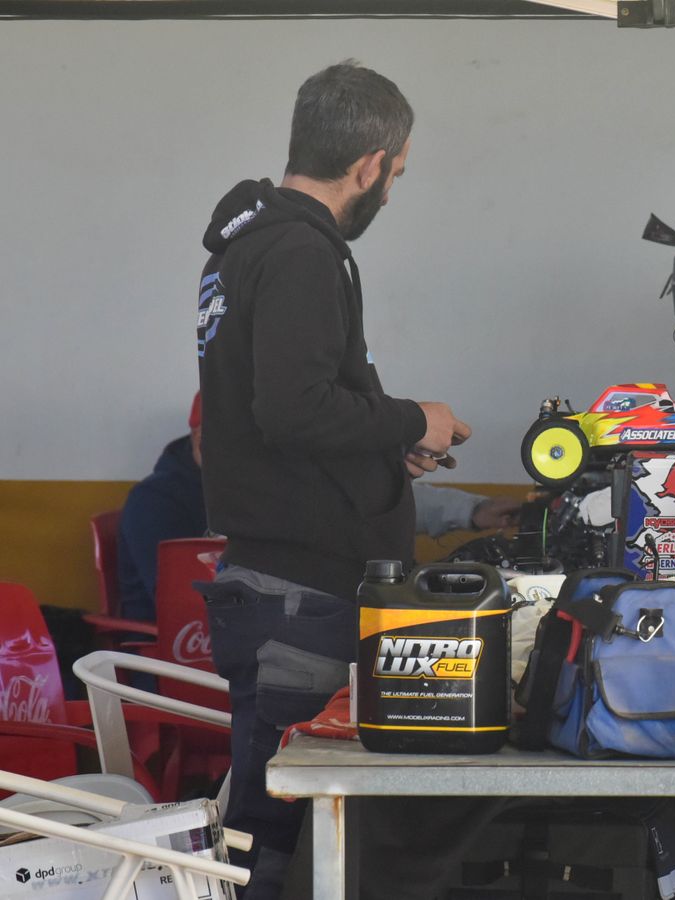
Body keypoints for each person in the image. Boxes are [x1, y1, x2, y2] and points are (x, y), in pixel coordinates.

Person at [194, 61, 478, 899]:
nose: (390, 194)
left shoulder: (251, 244)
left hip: (287, 584)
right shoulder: (298, 252)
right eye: (396, 174)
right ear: (370, 165)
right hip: (301, 597)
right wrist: (408, 419)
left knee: (279, 830)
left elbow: (283, 412)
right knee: (277, 839)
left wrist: (385, 446)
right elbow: (292, 408)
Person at [114, 389, 517, 622]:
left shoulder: (269, 483)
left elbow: (369, 501)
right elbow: (178, 607)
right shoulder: (154, 503)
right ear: (197, 439)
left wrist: (474, 512)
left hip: (249, 635)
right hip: (174, 661)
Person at [116, 392, 206, 622]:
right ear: (199, 439)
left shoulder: (243, 492)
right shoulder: (153, 501)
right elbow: (181, 603)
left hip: (226, 636)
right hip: (158, 649)